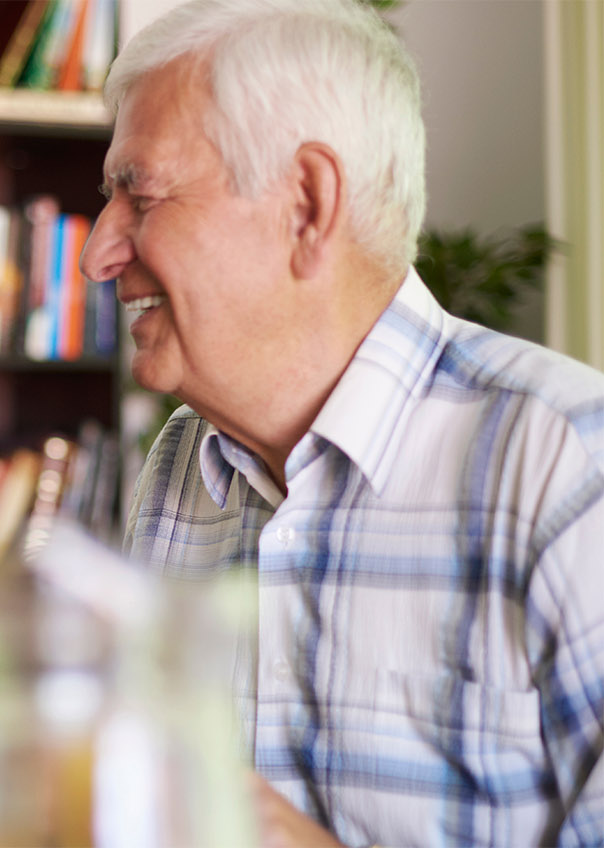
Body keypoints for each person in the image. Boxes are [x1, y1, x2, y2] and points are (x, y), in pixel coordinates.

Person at [80, 0, 604, 845]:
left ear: (307, 204)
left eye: (138, 195)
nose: (97, 251)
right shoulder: (179, 469)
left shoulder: (569, 465)